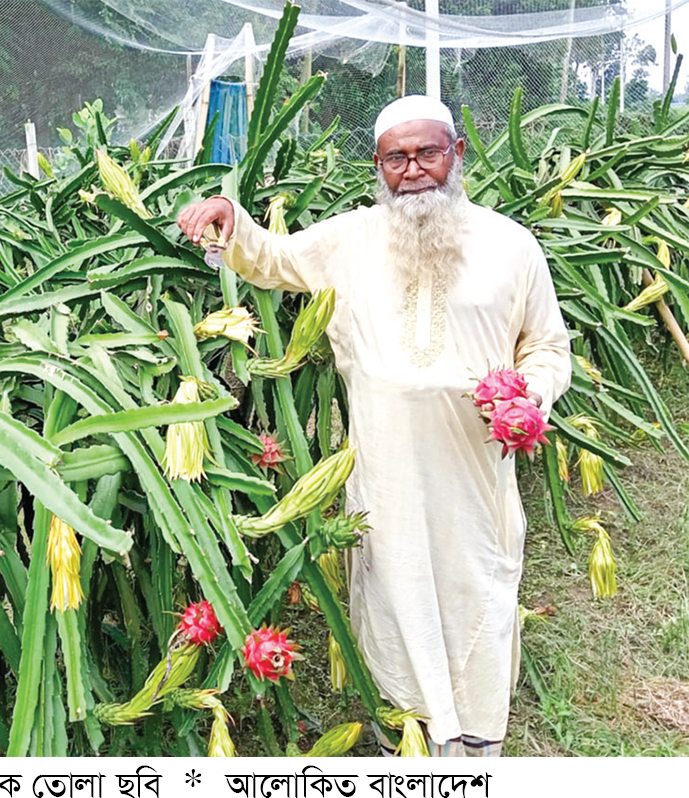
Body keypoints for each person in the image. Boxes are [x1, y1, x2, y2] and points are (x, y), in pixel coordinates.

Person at [176, 95, 571, 757]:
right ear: (379, 165)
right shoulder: (350, 237)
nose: (413, 169)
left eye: (427, 152)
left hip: (473, 477)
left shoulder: (512, 245)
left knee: (476, 594)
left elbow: (547, 346)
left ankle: (474, 755)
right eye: (397, 157)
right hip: (385, 474)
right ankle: (408, 748)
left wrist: (528, 395)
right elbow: (274, 259)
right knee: (393, 594)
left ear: (458, 154)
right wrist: (231, 222)